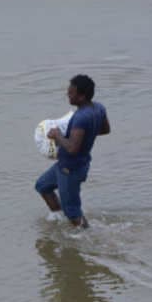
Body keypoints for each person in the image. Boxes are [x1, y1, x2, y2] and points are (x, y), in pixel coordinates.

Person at [35, 74, 110, 227]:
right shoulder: (98, 108)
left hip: (70, 169)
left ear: (81, 96)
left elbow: (72, 148)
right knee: (42, 186)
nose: (68, 95)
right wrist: (85, 135)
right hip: (69, 165)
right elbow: (105, 129)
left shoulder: (80, 118)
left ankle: (87, 236)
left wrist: (57, 135)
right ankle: (61, 219)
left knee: (73, 212)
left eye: (71, 93)